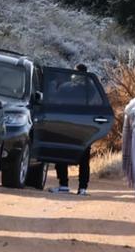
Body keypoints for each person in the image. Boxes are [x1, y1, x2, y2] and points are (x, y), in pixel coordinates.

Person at [53, 64, 94, 195]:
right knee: (84, 159)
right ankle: (82, 188)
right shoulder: (91, 90)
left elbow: (55, 103)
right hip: (84, 126)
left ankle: (63, 184)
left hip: (66, 124)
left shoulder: (65, 87)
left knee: (61, 153)